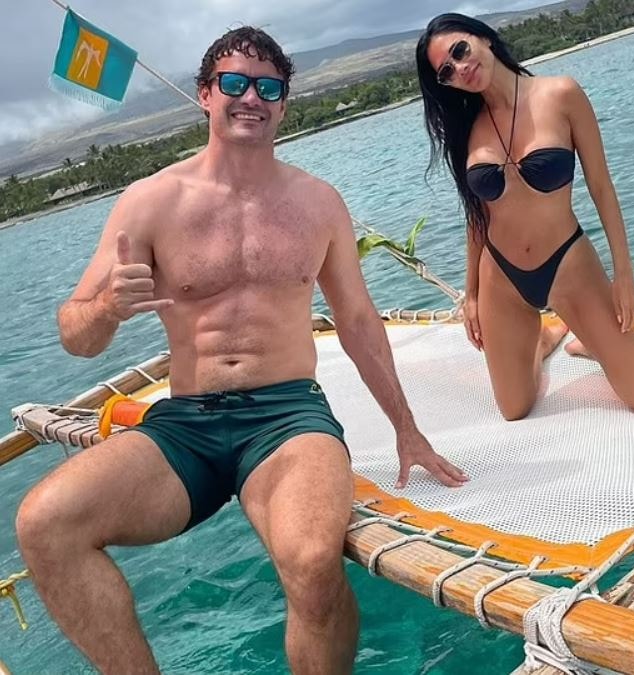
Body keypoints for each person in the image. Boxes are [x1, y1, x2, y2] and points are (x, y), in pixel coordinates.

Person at [15, 26, 467, 675]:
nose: (250, 97)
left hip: (288, 417)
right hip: (187, 425)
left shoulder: (318, 203)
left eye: (268, 87)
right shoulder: (151, 202)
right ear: (206, 94)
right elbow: (74, 335)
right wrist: (108, 306)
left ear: (283, 103)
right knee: (45, 523)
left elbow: (358, 321)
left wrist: (407, 427)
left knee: (312, 562)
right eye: (234, 83)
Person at [415, 13, 634, 420]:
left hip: (568, 263)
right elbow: (476, 216)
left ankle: (590, 339)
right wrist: (472, 294)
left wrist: (623, 274)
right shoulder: (465, 130)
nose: (460, 68)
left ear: (484, 39)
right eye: (446, 71)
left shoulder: (561, 94)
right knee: (514, 409)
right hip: (501, 276)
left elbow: (602, 187)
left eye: (460, 51)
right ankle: (542, 341)